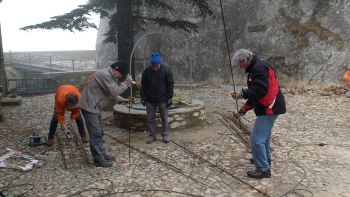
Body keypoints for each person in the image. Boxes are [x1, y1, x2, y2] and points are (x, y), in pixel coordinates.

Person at [230, 49, 286, 179]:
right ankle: (264, 159)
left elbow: (260, 91)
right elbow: (256, 94)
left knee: (256, 139)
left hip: (269, 107)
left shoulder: (258, 68)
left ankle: (263, 169)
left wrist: (242, 94)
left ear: (245, 60)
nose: (240, 66)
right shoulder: (257, 66)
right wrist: (243, 109)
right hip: (270, 106)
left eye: (240, 63)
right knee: (263, 137)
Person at [79, 61, 133, 167]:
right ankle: (98, 159)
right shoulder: (104, 75)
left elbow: (111, 94)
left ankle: (102, 154)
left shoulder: (106, 74)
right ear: (116, 70)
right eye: (120, 74)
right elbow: (114, 91)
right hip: (90, 107)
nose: (119, 77)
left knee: (100, 132)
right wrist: (126, 83)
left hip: (94, 106)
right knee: (95, 134)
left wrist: (125, 100)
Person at [140, 52, 174, 144]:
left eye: (157, 65)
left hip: (163, 99)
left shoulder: (166, 71)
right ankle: (152, 136)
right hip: (150, 100)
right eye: (153, 66)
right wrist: (142, 97)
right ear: (151, 64)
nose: (155, 67)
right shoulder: (146, 72)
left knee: (164, 119)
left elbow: (170, 84)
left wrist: (169, 97)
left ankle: (165, 135)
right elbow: (143, 86)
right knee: (150, 119)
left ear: (160, 63)